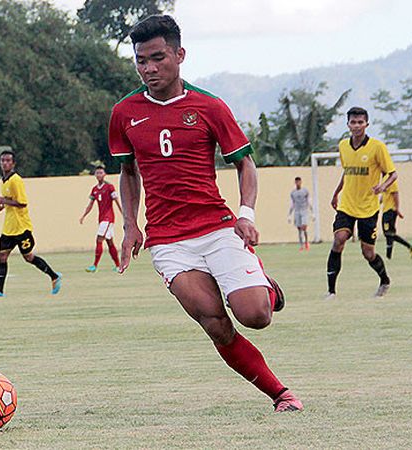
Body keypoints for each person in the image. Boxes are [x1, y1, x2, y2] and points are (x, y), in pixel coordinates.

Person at [109, 15, 301, 412]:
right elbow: (128, 172)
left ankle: (263, 283)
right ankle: (280, 394)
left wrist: (246, 214)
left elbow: (245, 164)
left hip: (218, 228)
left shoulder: (209, 107)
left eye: (157, 58)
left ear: (180, 55)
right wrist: (131, 225)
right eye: (140, 61)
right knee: (214, 322)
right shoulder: (124, 113)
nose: (149, 68)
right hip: (167, 240)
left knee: (257, 316)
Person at [326, 107, 397, 299]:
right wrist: (336, 193)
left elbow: (393, 173)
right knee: (339, 239)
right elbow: (347, 172)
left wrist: (382, 187)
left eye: (360, 122)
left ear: (367, 124)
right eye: (353, 122)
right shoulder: (343, 146)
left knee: (368, 252)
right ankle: (331, 291)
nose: (356, 126)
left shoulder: (377, 147)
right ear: (348, 124)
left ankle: (384, 280)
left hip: (368, 208)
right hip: (347, 205)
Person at [0, 150, 61, 298]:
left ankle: (54, 276)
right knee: (2, 256)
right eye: (3, 160)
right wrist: (1, 207)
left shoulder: (16, 180)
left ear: (13, 164)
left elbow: (22, 203)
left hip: (21, 227)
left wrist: (3, 201)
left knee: (28, 257)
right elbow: (10, 200)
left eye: (8, 160)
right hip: (9, 227)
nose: (5, 163)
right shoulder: (4, 180)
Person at [79, 166, 123, 272]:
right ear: (95, 175)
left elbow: (116, 200)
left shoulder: (110, 187)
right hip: (101, 219)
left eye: (101, 172)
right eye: (97, 173)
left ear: (105, 174)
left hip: (108, 218)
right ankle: (118, 266)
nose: (99, 175)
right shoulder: (94, 189)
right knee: (109, 242)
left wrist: (124, 214)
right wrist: (84, 215)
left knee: (99, 239)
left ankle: (94, 265)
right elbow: (90, 204)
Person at [380, 176, 412, 259]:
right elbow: (384, 194)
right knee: (390, 234)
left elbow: (395, 194)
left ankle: (388, 256)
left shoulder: (391, 180)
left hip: (390, 211)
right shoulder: (385, 180)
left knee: (388, 233)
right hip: (386, 211)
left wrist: (397, 209)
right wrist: (378, 203)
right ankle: (409, 246)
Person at [288, 176, 312, 251]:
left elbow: (309, 201)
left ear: (301, 182)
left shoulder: (305, 191)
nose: (298, 183)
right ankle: (301, 245)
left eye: (299, 181)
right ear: (295, 183)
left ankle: (306, 243)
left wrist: (312, 212)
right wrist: (289, 214)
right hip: (297, 211)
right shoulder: (293, 193)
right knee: (299, 229)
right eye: (296, 182)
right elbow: (292, 203)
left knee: (304, 227)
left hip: (304, 210)